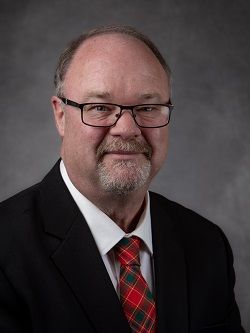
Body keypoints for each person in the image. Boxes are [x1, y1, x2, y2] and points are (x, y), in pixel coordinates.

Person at [0, 25, 245, 333]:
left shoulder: (206, 244)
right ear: (61, 115)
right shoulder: (7, 248)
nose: (127, 129)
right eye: (100, 107)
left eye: (147, 107)